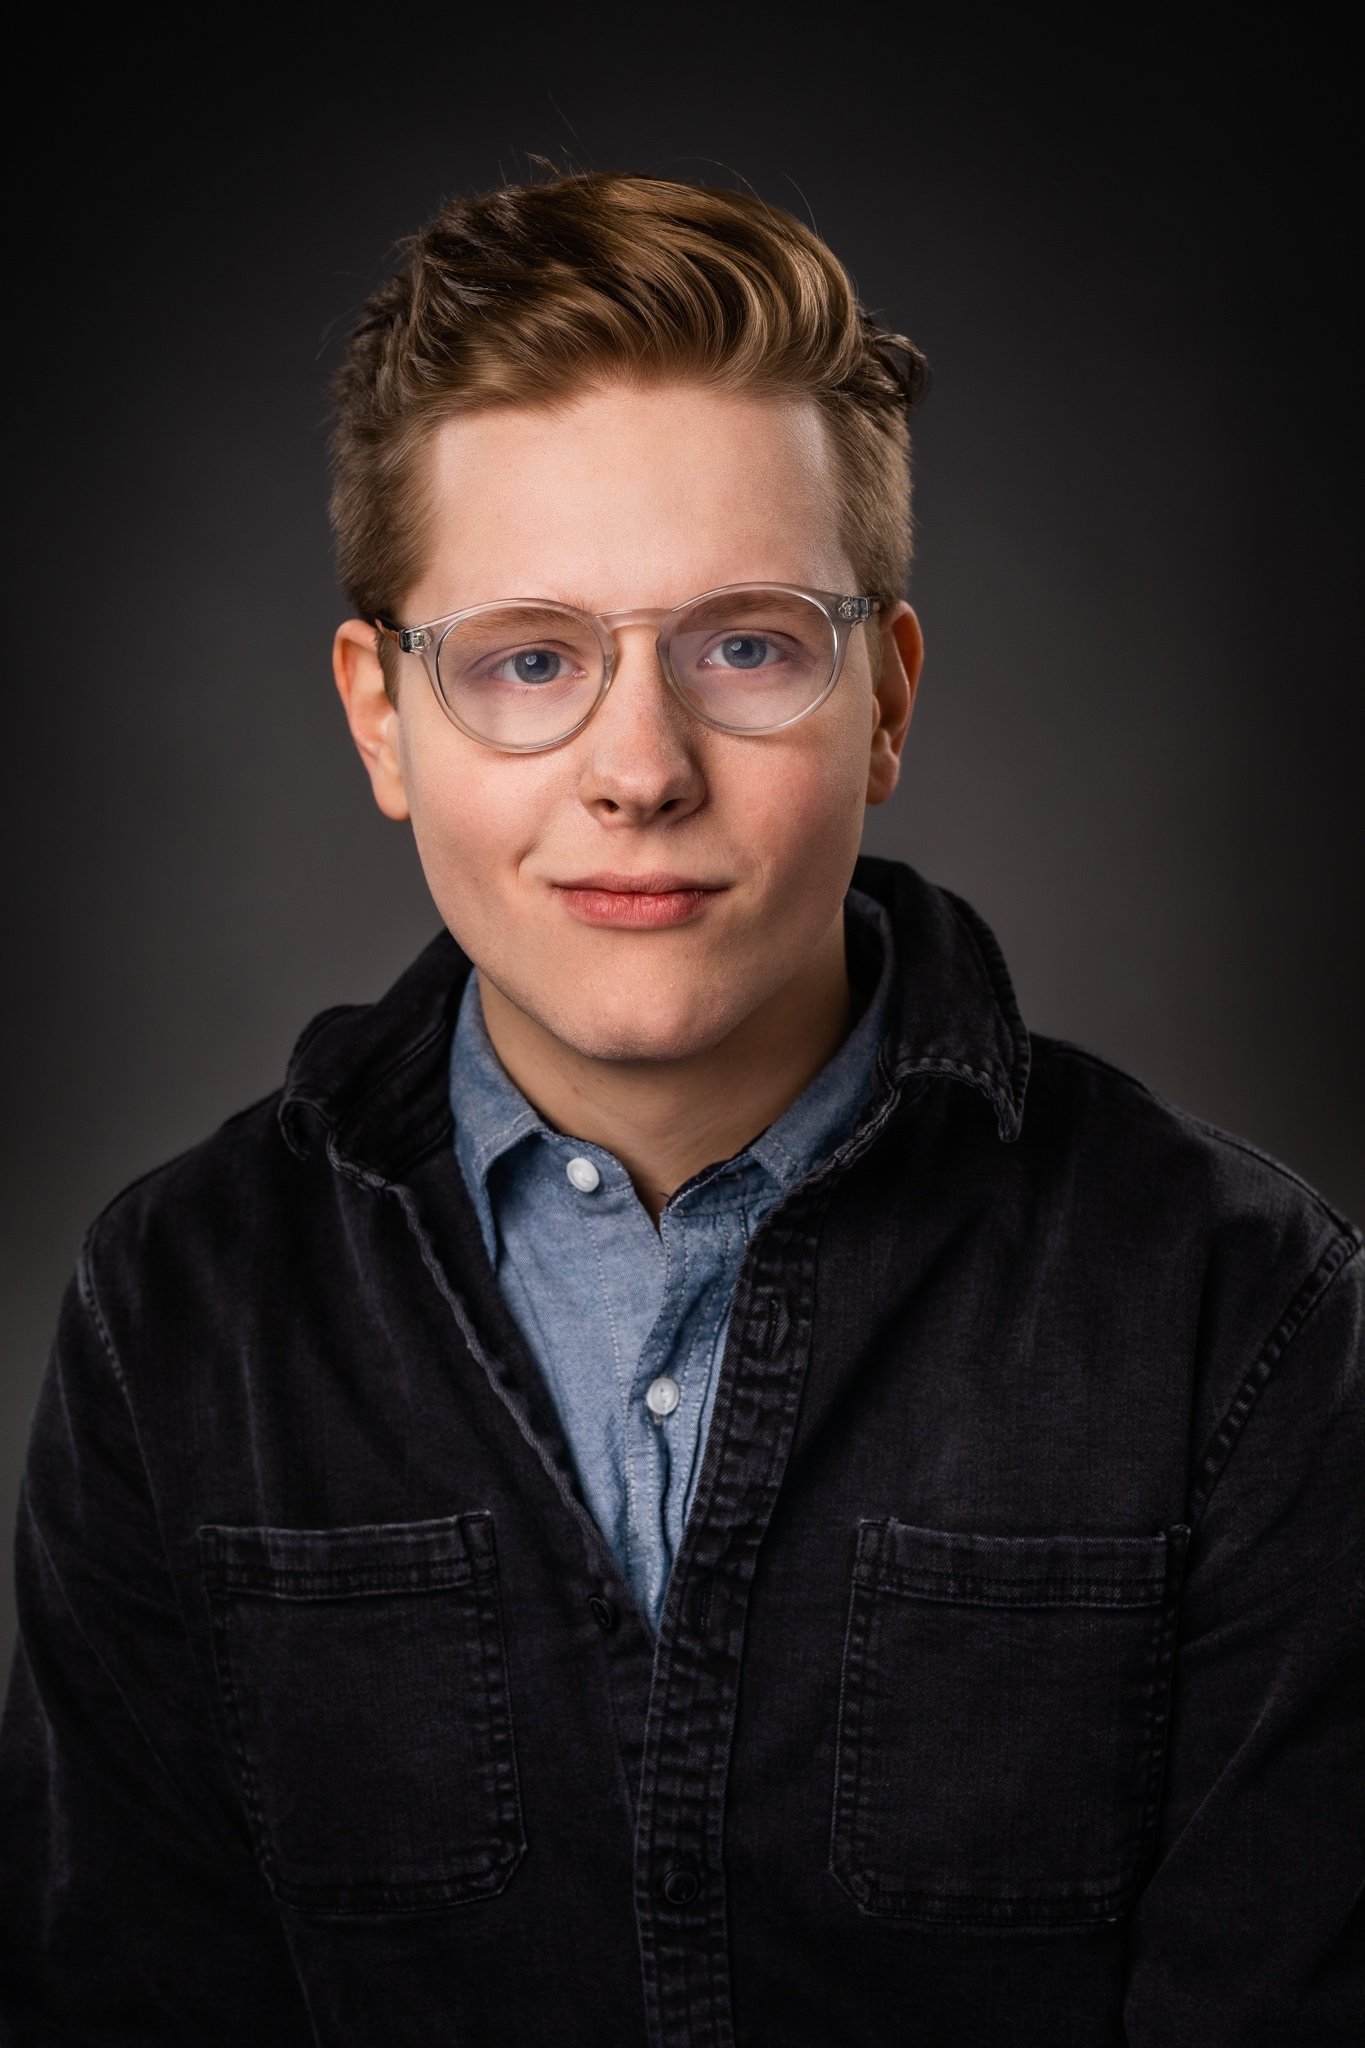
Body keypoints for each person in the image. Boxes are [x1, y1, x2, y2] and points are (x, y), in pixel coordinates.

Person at [1, 169, 1360, 2048]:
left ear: (881, 698)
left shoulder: (1240, 1307)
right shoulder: (178, 1311)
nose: (639, 770)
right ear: (382, 720)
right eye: (529, 661)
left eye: (743, 645)